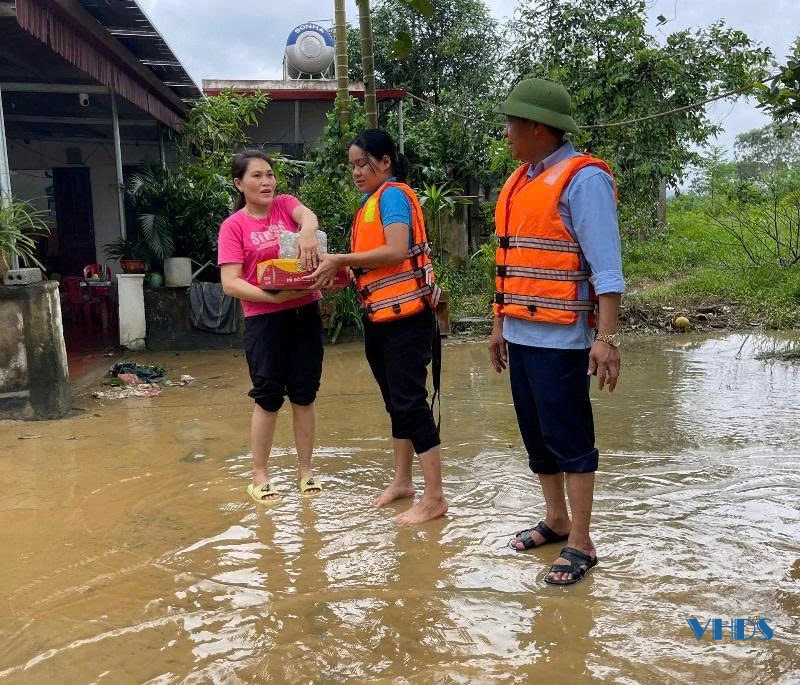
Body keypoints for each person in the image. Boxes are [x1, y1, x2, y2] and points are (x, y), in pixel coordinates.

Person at [489, 79, 625, 584]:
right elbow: (511, 264)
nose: (507, 133)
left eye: (512, 124)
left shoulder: (582, 180)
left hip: (563, 340)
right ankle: (556, 519)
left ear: (538, 127)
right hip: (522, 336)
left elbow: (606, 269)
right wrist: (499, 324)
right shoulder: (521, 180)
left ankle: (582, 542)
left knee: (570, 437)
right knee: (537, 436)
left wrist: (606, 340)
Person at [308, 129, 448, 525]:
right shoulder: (370, 203)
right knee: (395, 404)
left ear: (385, 161)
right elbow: (374, 261)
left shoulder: (392, 196)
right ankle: (403, 482)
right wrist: (340, 268)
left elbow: (396, 250)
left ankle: (435, 497)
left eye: (362, 163)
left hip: (407, 320)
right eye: (351, 165)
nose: (355, 172)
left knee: (410, 403)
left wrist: (339, 259)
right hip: (382, 319)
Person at [218, 150, 324, 505]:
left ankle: (305, 471)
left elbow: (307, 215)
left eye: (270, 175)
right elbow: (231, 283)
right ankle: (259, 475)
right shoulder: (234, 226)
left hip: (304, 312)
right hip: (264, 319)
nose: (266, 182)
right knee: (267, 396)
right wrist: (271, 298)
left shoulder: (285, 205)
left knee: (305, 393)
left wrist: (308, 231)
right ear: (239, 183)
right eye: (256, 176)